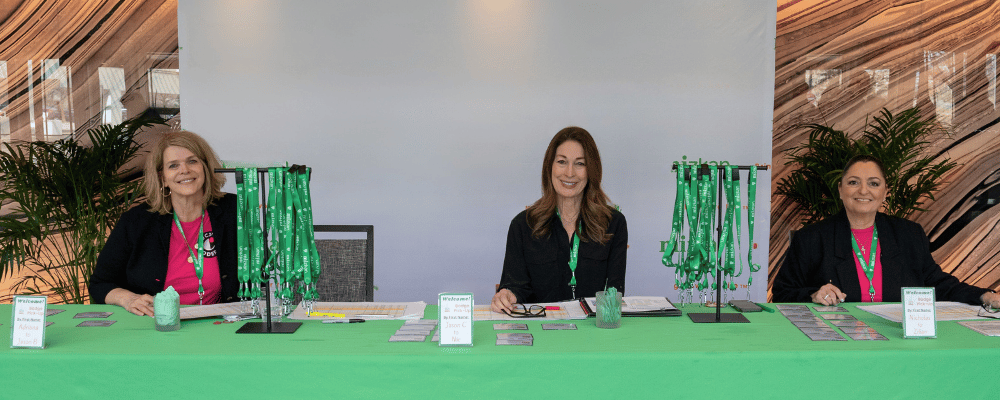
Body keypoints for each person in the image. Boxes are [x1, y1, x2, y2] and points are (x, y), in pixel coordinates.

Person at [773, 155, 1000, 307]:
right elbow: (782, 293)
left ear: (885, 192)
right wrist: (813, 295)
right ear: (840, 190)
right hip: (839, 344)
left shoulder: (908, 234)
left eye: (873, 183)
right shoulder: (812, 238)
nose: (864, 190)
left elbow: (938, 284)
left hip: (899, 341)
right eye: (853, 182)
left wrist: (985, 296)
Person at [89, 131, 239, 316]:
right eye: (173, 165)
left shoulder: (235, 211)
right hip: (156, 325)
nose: (184, 170)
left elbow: (260, 276)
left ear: (205, 168)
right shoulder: (136, 221)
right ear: (162, 177)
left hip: (220, 325)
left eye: (192, 161)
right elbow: (100, 284)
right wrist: (128, 299)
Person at [491, 127, 628, 313]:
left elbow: (614, 292)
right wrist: (506, 295)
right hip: (540, 333)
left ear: (591, 170)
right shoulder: (523, 225)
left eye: (580, 164)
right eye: (562, 162)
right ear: (550, 167)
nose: (569, 172)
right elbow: (515, 286)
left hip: (594, 334)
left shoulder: (613, 224)